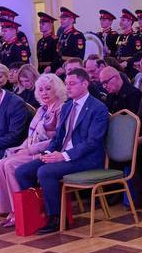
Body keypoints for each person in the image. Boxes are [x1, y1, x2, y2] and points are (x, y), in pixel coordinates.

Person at [13, 69, 110, 234]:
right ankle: (38, 212)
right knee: (22, 171)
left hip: (86, 158)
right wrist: (47, 153)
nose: (68, 87)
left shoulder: (97, 108)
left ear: (85, 84)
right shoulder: (67, 106)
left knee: (45, 172)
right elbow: (58, 138)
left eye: (72, 84)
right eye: (66, 84)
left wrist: (64, 155)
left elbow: (92, 142)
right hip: (64, 154)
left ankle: (56, 218)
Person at [0, 72, 64, 226]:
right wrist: (21, 148)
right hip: (32, 149)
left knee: (10, 164)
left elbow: (58, 140)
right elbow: (31, 135)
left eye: (48, 89)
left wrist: (30, 150)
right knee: (1, 163)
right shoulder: (42, 109)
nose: (44, 93)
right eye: (41, 90)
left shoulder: (61, 109)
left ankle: (21, 211)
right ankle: (11, 209)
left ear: (57, 90)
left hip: (47, 153)